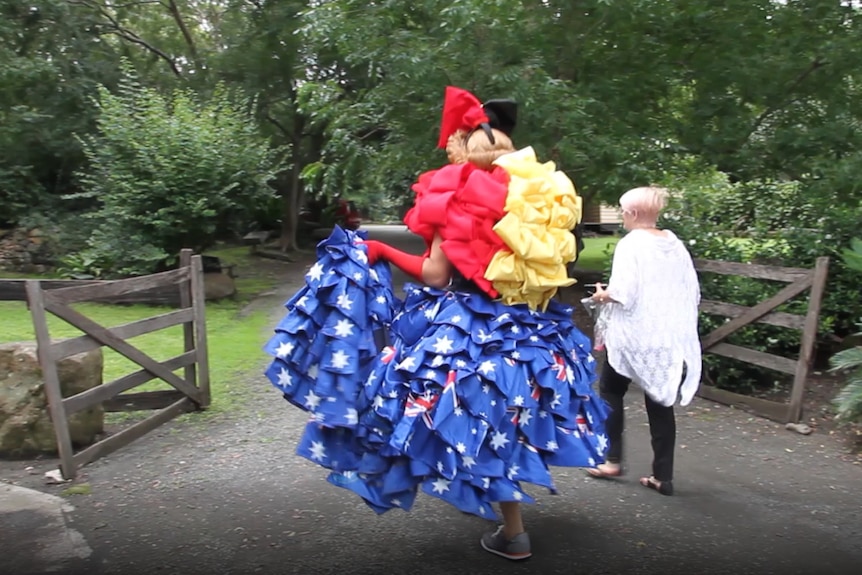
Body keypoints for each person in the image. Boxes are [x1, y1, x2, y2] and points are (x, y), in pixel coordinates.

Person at [263, 85, 609, 561]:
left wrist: (381, 249)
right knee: (507, 420)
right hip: (533, 333)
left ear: (465, 151)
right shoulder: (535, 201)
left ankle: (514, 533)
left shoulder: (455, 203)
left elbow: (435, 274)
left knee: (410, 402)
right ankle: (493, 504)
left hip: (467, 330)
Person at [586, 186, 701, 496]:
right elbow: (690, 288)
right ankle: (663, 476)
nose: (622, 216)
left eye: (623, 211)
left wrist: (601, 294)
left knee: (610, 390)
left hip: (632, 336)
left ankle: (611, 460)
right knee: (661, 401)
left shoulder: (631, 244)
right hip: (666, 336)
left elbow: (623, 293)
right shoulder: (675, 244)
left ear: (633, 214)